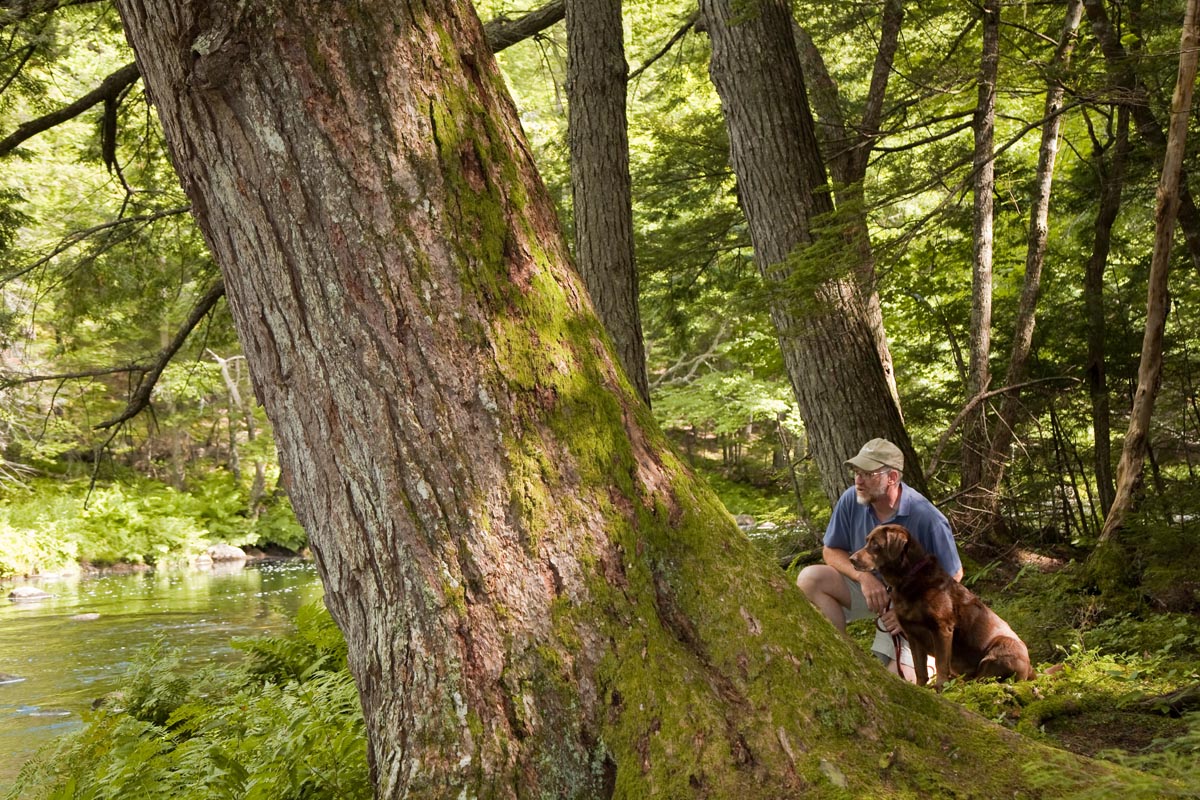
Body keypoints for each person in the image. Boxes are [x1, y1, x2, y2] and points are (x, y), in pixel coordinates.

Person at [797, 438, 962, 681]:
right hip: (867, 591)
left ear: (892, 477)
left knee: (896, 682)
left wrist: (906, 610)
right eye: (856, 472)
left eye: (867, 473)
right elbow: (830, 551)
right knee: (811, 578)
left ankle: (929, 657)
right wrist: (863, 577)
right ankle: (841, 658)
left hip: (910, 603)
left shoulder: (926, 517)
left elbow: (954, 576)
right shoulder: (851, 499)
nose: (858, 480)